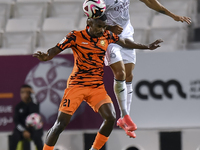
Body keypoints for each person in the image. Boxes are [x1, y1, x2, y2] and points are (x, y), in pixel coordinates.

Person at [33, 14, 162, 150]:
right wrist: (47, 56)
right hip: (77, 86)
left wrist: (147, 46)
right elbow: (56, 49)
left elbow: (124, 42)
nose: (101, 29)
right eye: (99, 26)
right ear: (89, 22)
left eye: (104, 27)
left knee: (111, 117)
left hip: (96, 87)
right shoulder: (75, 36)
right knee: (60, 124)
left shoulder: (106, 35)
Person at [103, 0, 192, 138]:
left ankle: (123, 119)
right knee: (120, 73)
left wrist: (172, 15)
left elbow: (149, 1)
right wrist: (109, 28)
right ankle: (125, 114)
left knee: (129, 76)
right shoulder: (99, 1)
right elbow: (91, 23)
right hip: (109, 38)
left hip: (126, 34)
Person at [10, 84, 43, 150]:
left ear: (30, 94)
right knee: (14, 136)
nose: (24, 94)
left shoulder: (34, 105)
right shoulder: (18, 106)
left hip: (34, 129)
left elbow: (35, 113)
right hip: (22, 129)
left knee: (37, 137)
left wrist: (33, 95)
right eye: (22, 92)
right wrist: (24, 131)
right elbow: (16, 121)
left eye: (27, 92)